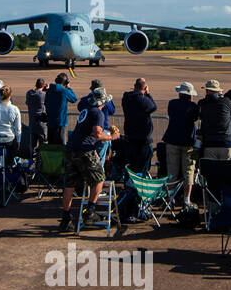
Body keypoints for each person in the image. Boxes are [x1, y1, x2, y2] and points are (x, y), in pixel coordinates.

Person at [60, 88, 119, 231]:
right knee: (99, 178)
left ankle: (66, 218)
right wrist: (112, 137)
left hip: (71, 148)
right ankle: (90, 211)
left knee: (70, 184)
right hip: (84, 150)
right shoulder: (97, 113)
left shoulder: (86, 110)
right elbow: (98, 134)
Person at [162, 81, 199, 207]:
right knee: (188, 171)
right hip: (188, 141)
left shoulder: (172, 104)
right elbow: (195, 118)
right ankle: (186, 199)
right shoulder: (193, 106)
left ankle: (171, 197)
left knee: (172, 170)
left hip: (172, 139)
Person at [120, 77, 157, 176]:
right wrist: (148, 94)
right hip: (142, 137)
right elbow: (153, 107)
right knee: (142, 166)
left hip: (130, 134)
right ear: (144, 88)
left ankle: (129, 184)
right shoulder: (142, 100)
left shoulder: (127, 98)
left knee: (132, 165)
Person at [198, 79, 231, 163]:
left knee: (211, 171)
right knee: (227, 170)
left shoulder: (203, 103)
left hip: (210, 142)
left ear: (207, 90)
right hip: (226, 141)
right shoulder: (226, 101)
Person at [0, 84, 22, 159]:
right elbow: (18, 128)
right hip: (9, 138)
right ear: (10, 95)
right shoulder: (15, 109)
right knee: (10, 159)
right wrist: (18, 140)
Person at [44, 73, 76, 145]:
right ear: (66, 82)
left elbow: (45, 103)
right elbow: (74, 99)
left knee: (51, 144)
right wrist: (68, 88)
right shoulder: (63, 91)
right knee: (60, 145)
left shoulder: (49, 90)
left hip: (50, 121)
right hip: (60, 122)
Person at [25, 78, 48, 151]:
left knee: (32, 144)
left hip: (32, 122)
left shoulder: (29, 93)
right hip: (41, 123)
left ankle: (32, 159)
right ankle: (41, 160)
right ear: (43, 86)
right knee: (43, 144)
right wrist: (47, 90)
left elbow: (27, 102)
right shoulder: (43, 95)